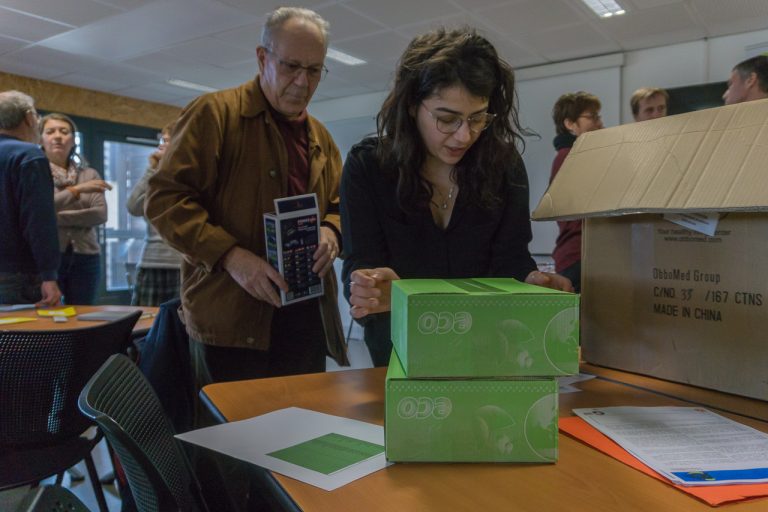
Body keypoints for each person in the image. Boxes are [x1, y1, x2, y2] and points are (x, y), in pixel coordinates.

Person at [341, 27, 573, 367]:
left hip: (487, 348)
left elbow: (510, 260)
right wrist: (370, 287)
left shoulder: (503, 166)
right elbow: (360, 265)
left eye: (478, 118)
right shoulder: (369, 168)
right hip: (400, 353)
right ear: (410, 106)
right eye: (447, 119)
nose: (464, 135)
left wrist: (532, 281)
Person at [145, 7, 346, 389]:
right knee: (231, 442)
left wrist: (331, 233)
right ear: (262, 58)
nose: (303, 82)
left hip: (305, 315)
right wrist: (231, 256)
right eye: (290, 67)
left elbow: (340, 205)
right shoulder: (214, 115)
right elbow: (165, 199)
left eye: (315, 70)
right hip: (231, 319)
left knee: (302, 435)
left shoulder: (321, 137)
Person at [40, 113, 111, 305]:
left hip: (87, 256)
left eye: (64, 132)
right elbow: (38, 211)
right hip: (48, 257)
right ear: (41, 139)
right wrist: (77, 191)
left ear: (73, 140)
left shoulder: (89, 174)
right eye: (50, 131)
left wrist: (54, 216)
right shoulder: (36, 173)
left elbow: (100, 214)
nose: (57, 136)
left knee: (84, 314)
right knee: (48, 315)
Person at [0, 91, 61, 306]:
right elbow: (38, 220)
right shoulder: (28, 156)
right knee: (29, 338)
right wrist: (49, 275)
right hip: (17, 273)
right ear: (28, 117)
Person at [549, 91, 603, 293]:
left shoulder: (572, 155)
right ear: (570, 124)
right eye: (593, 117)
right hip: (580, 256)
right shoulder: (571, 157)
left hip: (582, 256)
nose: (599, 123)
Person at [126, 122, 183, 306]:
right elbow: (133, 206)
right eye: (161, 140)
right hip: (151, 261)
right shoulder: (155, 175)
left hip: (180, 264)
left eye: (167, 141)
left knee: (178, 326)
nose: (160, 145)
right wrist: (152, 168)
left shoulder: (190, 175)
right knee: (145, 324)